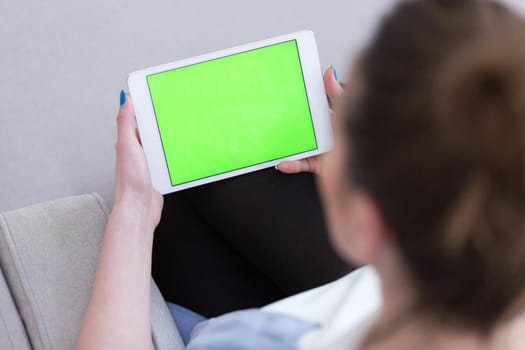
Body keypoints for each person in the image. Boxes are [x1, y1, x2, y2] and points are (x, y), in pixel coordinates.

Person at [77, 0, 525, 349]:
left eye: (350, 135)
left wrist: (133, 212)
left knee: (186, 194)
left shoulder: (245, 342)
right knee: (221, 173)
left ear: (366, 222)